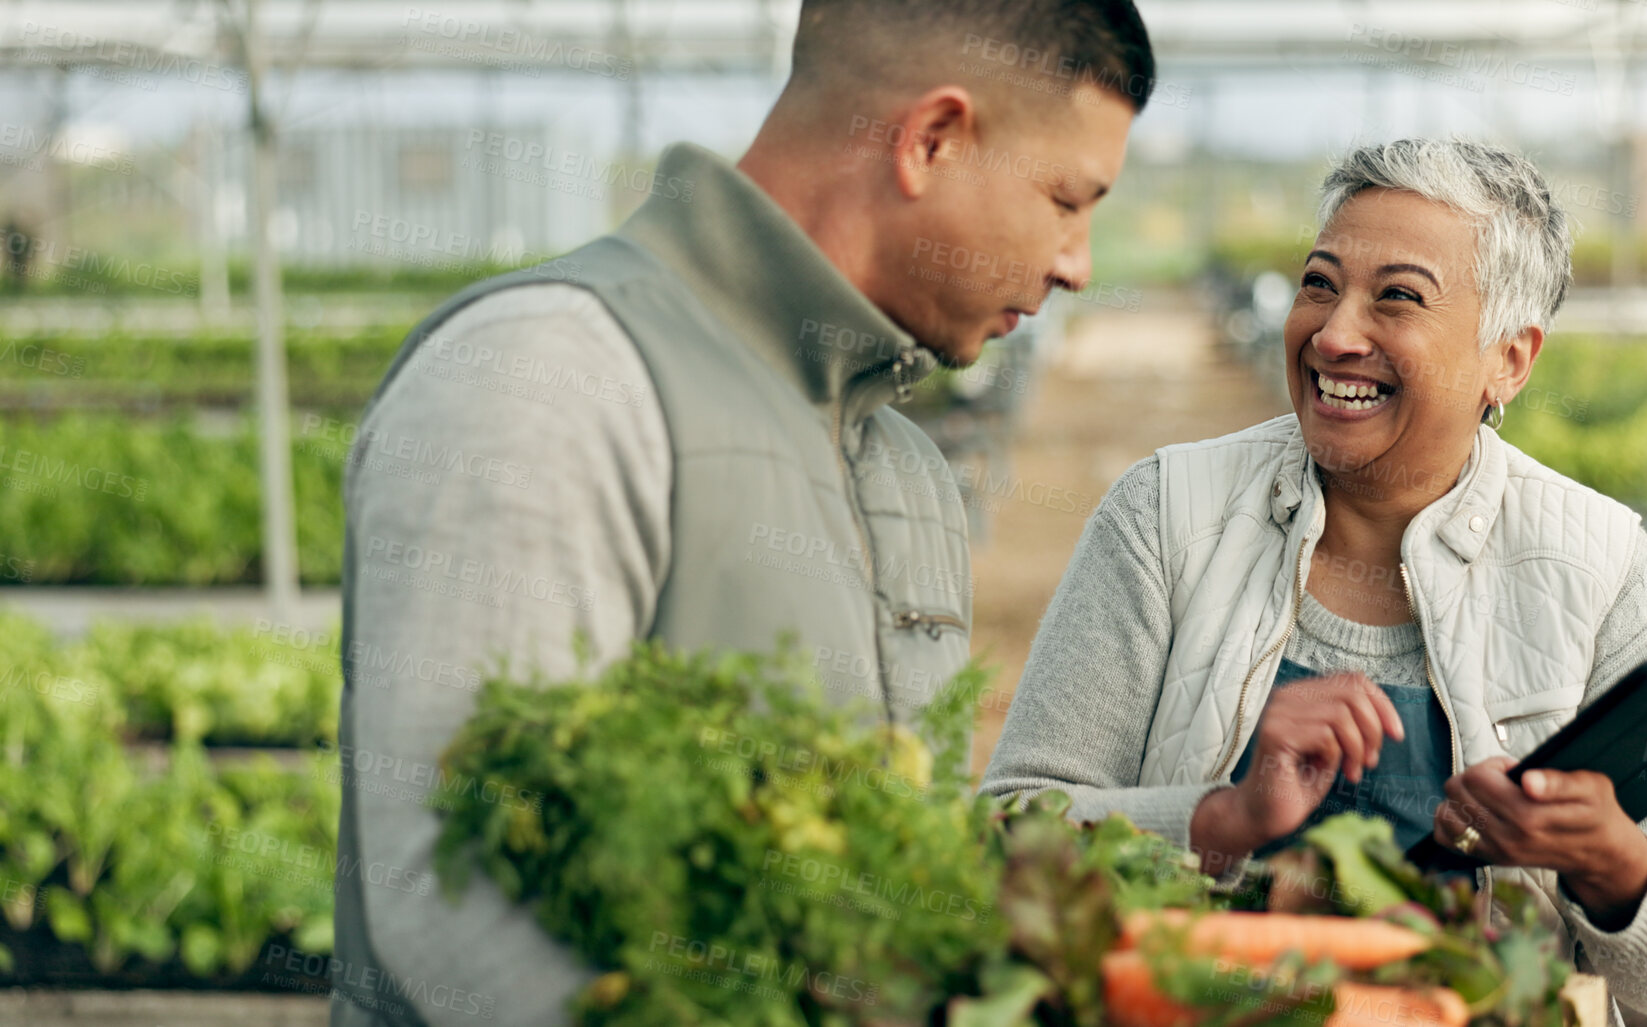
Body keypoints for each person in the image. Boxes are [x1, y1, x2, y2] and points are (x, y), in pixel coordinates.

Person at [331, 2, 1155, 1023]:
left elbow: (898, 883)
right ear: (932, 140)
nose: (1077, 261)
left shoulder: (905, 470)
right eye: (1067, 199)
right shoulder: (549, 374)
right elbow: (451, 899)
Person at [979, 139, 1647, 1025]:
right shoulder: (1166, 515)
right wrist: (1220, 817)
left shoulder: (1598, 565)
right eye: (1319, 284)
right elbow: (1002, 839)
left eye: (1396, 296)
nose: (1334, 333)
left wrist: (1615, 864)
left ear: (1509, 358)